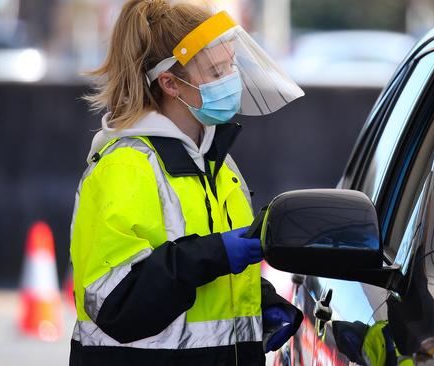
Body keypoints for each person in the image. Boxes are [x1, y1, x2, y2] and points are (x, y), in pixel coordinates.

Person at [68, 1, 304, 365]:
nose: (229, 78)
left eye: (230, 65)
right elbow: (116, 302)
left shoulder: (217, 161)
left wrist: (262, 302)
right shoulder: (127, 166)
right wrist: (215, 253)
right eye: (214, 71)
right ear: (170, 84)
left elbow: (204, 279)